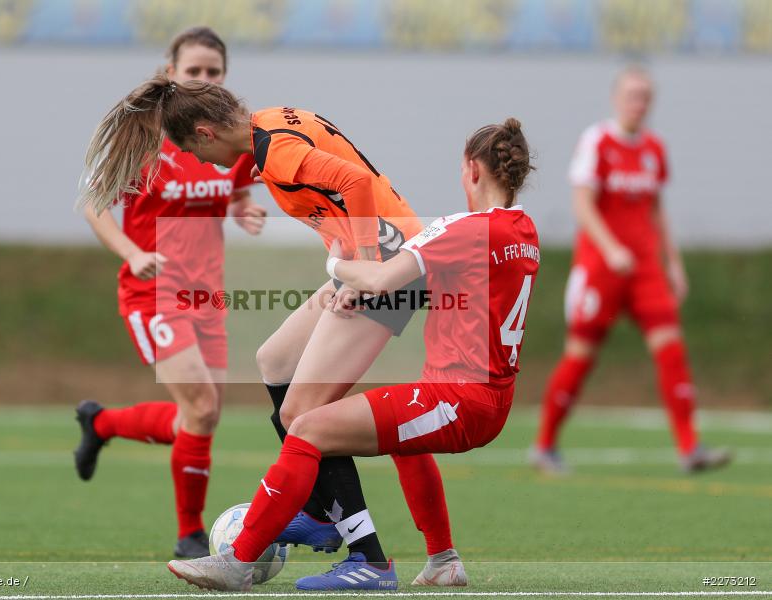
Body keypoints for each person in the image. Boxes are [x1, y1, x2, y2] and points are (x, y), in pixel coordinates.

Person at [77, 78, 465, 590]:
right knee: (274, 360)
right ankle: (328, 512)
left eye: (194, 149)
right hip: (376, 260)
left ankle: (367, 558)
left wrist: (367, 266)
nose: (203, 161)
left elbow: (356, 183)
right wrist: (351, 259)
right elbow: (337, 185)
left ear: (205, 131)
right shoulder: (272, 125)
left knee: (301, 416)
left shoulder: (276, 150)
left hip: (389, 267)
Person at [166, 118, 540, 592]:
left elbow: (381, 278)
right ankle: (442, 560)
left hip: (458, 400)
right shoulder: (525, 232)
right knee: (399, 438)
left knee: (305, 424)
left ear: (471, 170)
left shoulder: (460, 229)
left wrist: (337, 263)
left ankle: (243, 560)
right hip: (483, 398)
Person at [72, 27, 266, 559]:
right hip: (153, 293)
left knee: (199, 417)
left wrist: (242, 209)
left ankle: (102, 422)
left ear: (225, 77)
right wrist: (132, 254)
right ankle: (190, 536)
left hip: (209, 297)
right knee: (201, 407)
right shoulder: (143, 133)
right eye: (193, 70)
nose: (203, 79)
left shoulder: (227, 134)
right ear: (171, 71)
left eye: (214, 72)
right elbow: (94, 206)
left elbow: (232, 189)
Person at [530, 66, 731, 474]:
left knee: (671, 348)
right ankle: (545, 445)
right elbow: (582, 204)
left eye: (645, 97)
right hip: (601, 269)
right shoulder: (598, 141)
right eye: (632, 95)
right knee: (581, 355)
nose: (639, 103)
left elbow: (657, 210)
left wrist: (673, 263)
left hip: (645, 272)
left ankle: (689, 448)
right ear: (616, 98)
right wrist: (611, 249)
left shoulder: (654, 149)